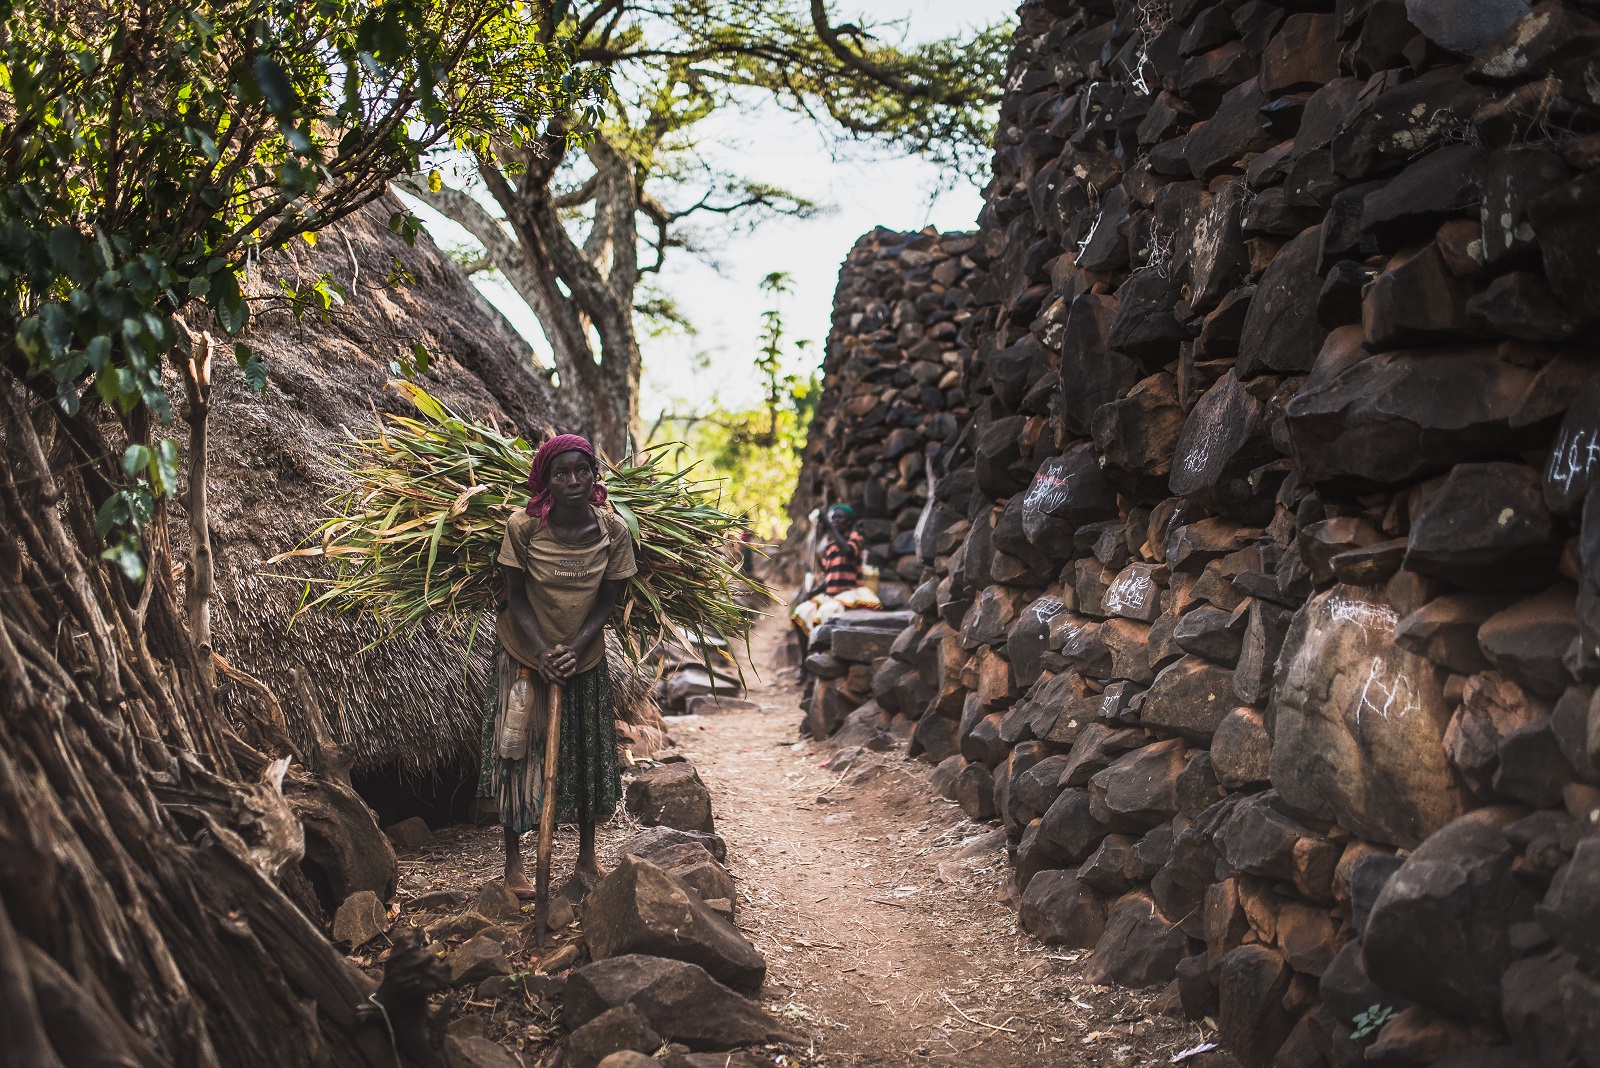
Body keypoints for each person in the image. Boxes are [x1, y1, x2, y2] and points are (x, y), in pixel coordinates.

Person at [479, 433, 637, 898]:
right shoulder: (524, 528)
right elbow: (515, 595)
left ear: (595, 475)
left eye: (582, 471)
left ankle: (586, 861)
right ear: (546, 481)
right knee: (517, 752)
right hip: (524, 654)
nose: (573, 480)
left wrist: (575, 647)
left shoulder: (613, 531)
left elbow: (608, 599)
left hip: (583, 657)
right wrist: (545, 649)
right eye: (561, 473)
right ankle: (513, 866)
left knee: (586, 753)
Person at [788, 504, 880, 678]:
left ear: (849, 522)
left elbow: (848, 552)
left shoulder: (855, 538)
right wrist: (812, 593)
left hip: (849, 592)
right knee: (801, 612)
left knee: (825, 613)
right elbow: (827, 578)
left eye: (840, 518)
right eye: (833, 518)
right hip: (830, 594)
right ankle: (804, 663)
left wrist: (829, 527)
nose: (836, 521)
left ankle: (822, 664)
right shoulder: (830, 547)